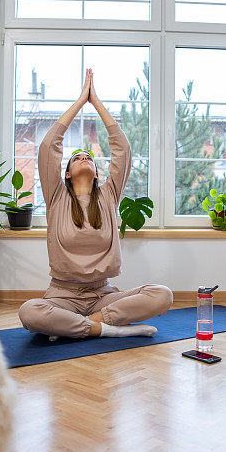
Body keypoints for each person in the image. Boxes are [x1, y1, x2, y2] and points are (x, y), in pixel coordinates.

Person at [18, 68, 173, 339]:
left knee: (162, 295)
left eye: (89, 157)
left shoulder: (108, 195)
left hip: (104, 295)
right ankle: (109, 330)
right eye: (76, 157)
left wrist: (96, 103)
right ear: (66, 173)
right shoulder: (56, 196)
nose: (84, 158)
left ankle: (82, 326)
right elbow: (48, 148)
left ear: (98, 173)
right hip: (62, 296)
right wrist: (80, 103)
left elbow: (122, 150)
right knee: (30, 312)